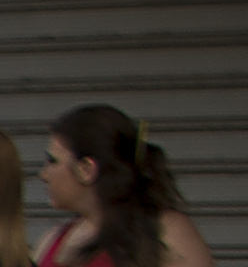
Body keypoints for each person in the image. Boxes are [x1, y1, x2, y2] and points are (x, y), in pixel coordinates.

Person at [32, 108, 214, 267]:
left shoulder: (164, 230)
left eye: (53, 162)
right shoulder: (53, 240)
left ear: (86, 169)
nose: (44, 175)